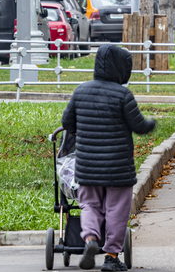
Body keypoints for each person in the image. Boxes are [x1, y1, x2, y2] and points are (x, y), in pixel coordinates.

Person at [61, 44, 156, 271]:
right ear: (121, 69)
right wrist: (152, 123)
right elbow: (139, 126)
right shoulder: (123, 95)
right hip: (118, 169)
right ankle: (111, 256)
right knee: (116, 209)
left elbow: (67, 123)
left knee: (89, 206)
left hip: (87, 167)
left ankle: (91, 240)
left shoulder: (80, 91)